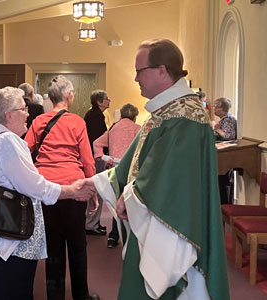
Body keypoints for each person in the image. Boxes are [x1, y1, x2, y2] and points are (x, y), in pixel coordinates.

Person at [89, 39, 229, 300]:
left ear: (162, 70)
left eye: (139, 71)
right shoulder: (165, 111)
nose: (135, 78)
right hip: (150, 218)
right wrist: (99, 183)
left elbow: (171, 179)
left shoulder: (185, 116)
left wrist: (128, 197)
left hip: (169, 224)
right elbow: (136, 160)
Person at [0, 86, 96, 300]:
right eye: (23, 108)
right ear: (9, 115)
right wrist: (73, 190)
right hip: (9, 239)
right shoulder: (8, 141)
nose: (28, 112)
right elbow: (36, 187)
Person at [25, 75, 100, 300]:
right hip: (74, 186)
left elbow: (25, 150)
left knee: (53, 247)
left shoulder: (38, 122)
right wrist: (93, 189)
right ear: (68, 96)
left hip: (47, 189)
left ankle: (54, 296)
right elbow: (87, 160)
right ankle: (81, 295)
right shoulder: (77, 121)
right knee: (78, 245)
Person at [92, 103, 141, 248]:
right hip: (130, 169)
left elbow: (96, 143)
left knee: (116, 201)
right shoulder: (137, 129)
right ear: (135, 116)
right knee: (130, 201)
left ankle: (113, 237)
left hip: (114, 168)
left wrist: (104, 157)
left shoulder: (113, 128)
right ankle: (131, 239)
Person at [84, 90, 110, 236]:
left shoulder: (92, 114)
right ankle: (91, 224)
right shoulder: (96, 116)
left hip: (91, 156)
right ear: (99, 102)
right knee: (97, 190)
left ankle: (92, 222)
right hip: (96, 157)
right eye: (106, 99)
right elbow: (98, 140)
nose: (109, 101)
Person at [213, 97, 237, 204]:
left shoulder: (229, 119)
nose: (214, 108)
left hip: (227, 155)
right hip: (222, 153)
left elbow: (228, 136)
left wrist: (217, 129)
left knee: (224, 182)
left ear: (222, 108)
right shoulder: (223, 119)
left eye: (216, 106)